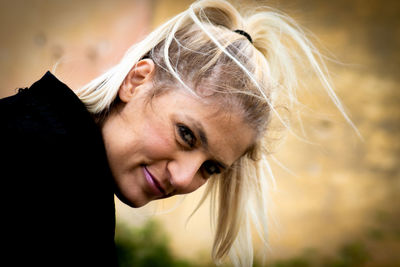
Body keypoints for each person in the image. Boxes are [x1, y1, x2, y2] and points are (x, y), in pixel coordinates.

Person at [0, 0, 360, 266]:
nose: (184, 178)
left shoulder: (56, 156)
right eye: (187, 135)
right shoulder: (47, 175)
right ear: (137, 81)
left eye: (211, 168)